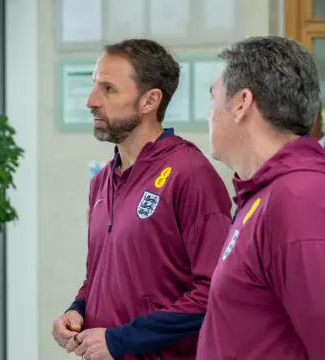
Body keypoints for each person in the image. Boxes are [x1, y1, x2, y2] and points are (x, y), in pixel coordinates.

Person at [51, 39, 232, 360]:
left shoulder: (189, 173)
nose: (92, 101)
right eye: (95, 86)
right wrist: (78, 309)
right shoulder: (102, 182)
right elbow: (101, 274)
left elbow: (214, 293)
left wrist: (121, 340)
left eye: (108, 89)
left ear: (150, 100)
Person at [197, 36, 325, 359]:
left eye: (213, 99)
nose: (210, 115)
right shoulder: (264, 194)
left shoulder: (298, 199)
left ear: (242, 103)